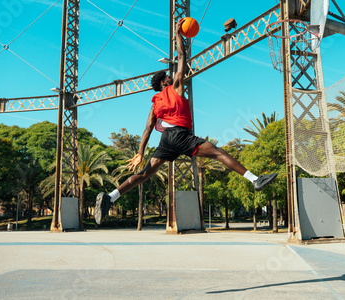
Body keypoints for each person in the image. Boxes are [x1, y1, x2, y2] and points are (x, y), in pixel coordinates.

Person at [94, 18, 277, 224]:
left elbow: (147, 130)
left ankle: (110, 197)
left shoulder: (155, 103)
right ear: (165, 82)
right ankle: (255, 179)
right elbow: (181, 56)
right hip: (181, 135)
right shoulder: (176, 87)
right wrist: (177, 34)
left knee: (145, 174)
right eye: (168, 77)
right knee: (218, 153)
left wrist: (139, 153)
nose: (172, 77)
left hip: (166, 140)